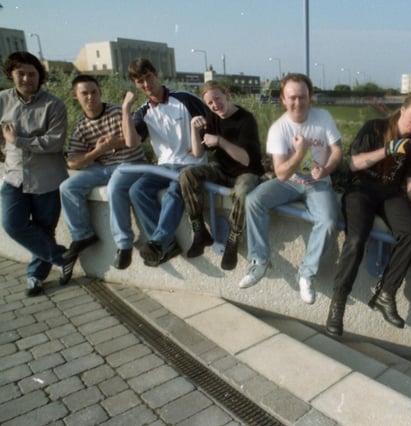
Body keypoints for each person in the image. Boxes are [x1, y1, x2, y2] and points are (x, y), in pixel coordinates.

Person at [325, 94, 411, 336]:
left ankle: (386, 294)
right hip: (361, 189)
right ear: (402, 111)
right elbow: (354, 164)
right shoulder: (375, 127)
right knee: (356, 240)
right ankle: (338, 303)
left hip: (390, 195)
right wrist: (389, 149)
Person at [239, 73, 342, 304]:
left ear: (310, 97)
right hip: (290, 182)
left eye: (303, 97)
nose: (298, 103)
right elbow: (281, 173)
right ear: (283, 100)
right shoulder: (279, 129)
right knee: (254, 200)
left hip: (319, 184)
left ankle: (306, 274)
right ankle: (259, 261)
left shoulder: (322, 117)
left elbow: (337, 151)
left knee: (327, 221)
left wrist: (326, 169)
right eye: (292, 98)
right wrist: (300, 153)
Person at [119, 58, 213, 267]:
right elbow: (131, 142)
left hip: (191, 165)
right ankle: (167, 243)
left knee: (173, 192)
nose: (146, 84)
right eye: (140, 81)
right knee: (137, 191)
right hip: (164, 166)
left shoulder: (184, 98)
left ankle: (158, 241)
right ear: (135, 84)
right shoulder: (143, 111)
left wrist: (202, 143)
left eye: (148, 77)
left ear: (157, 74)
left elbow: (212, 122)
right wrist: (126, 109)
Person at [0, 51, 74, 296]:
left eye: (32, 74)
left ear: (39, 77)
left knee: (44, 229)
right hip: (14, 176)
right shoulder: (2, 100)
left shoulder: (54, 105)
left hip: (48, 178)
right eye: (21, 73)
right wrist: (7, 149)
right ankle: (63, 257)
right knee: (12, 224)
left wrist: (17, 141)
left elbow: (53, 142)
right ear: (11, 75)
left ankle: (35, 276)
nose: (26, 79)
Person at [59, 75, 147, 270]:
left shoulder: (118, 111)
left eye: (94, 92)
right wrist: (98, 151)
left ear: (100, 92)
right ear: (76, 96)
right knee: (68, 187)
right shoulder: (81, 126)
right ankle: (82, 236)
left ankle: (124, 244)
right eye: (84, 93)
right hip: (102, 167)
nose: (90, 97)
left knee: (114, 188)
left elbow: (136, 138)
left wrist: (116, 142)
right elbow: (73, 161)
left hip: (130, 163)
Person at [178, 81, 264, 269]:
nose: (215, 105)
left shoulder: (246, 119)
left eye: (217, 98)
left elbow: (247, 160)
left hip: (247, 172)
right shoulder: (212, 117)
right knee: (186, 175)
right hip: (222, 169)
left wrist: (219, 141)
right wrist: (194, 129)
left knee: (242, 192)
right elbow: (199, 153)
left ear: (227, 94)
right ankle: (200, 231)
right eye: (210, 103)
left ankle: (233, 240)